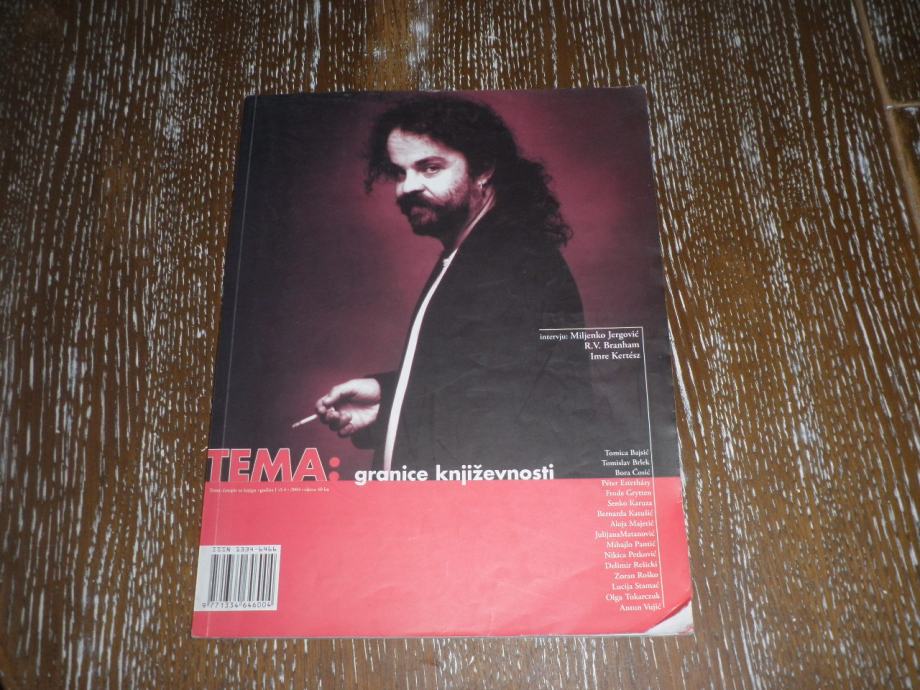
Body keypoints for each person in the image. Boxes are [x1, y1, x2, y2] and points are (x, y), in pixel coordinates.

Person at [314, 95, 599, 475]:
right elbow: (475, 382)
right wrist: (388, 399)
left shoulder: (511, 261)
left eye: (429, 168)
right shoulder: (471, 252)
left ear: (483, 169)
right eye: (399, 172)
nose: (406, 187)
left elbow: (494, 424)